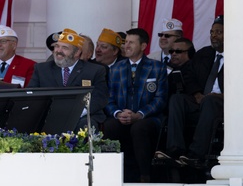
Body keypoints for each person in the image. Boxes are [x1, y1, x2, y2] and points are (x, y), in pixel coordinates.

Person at [103, 28, 168, 183]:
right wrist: (118, 113)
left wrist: (139, 115)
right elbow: (108, 99)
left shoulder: (157, 67)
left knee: (139, 128)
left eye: (131, 42)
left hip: (147, 118)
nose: (126, 46)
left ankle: (144, 176)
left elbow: (160, 100)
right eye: (125, 43)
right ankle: (110, 175)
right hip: (122, 116)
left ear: (143, 46)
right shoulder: (116, 69)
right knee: (109, 126)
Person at [160, 16, 224, 169]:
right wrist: (196, 94)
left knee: (209, 101)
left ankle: (195, 154)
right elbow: (188, 74)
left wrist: (221, 96)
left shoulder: (241, 56)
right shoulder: (204, 54)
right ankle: (175, 151)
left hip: (225, 104)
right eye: (212, 32)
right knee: (177, 99)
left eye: (219, 32)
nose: (213, 35)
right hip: (202, 100)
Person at [27, 28, 108, 127]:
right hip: (50, 114)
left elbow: (99, 98)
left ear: (77, 52)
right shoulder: (42, 69)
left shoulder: (94, 71)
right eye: (57, 46)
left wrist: (78, 112)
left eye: (65, 48)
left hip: (82, 115)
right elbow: (31, 94)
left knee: (85, 125)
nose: (58, 51)